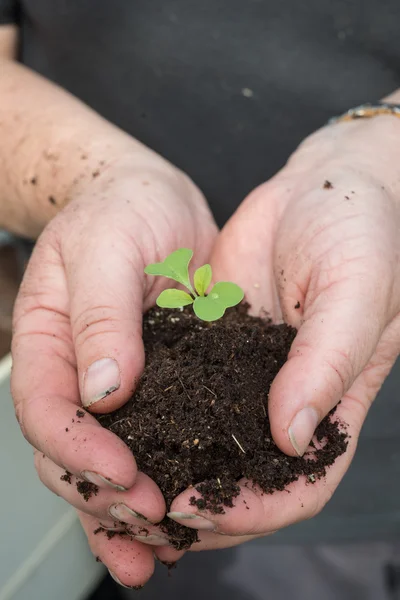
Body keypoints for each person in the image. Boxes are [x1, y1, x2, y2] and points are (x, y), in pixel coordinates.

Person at [1, 1, 400, 597]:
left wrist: (383, 154)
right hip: (106, 305)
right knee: (147, 539)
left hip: (364, 402)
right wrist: (98, 179)